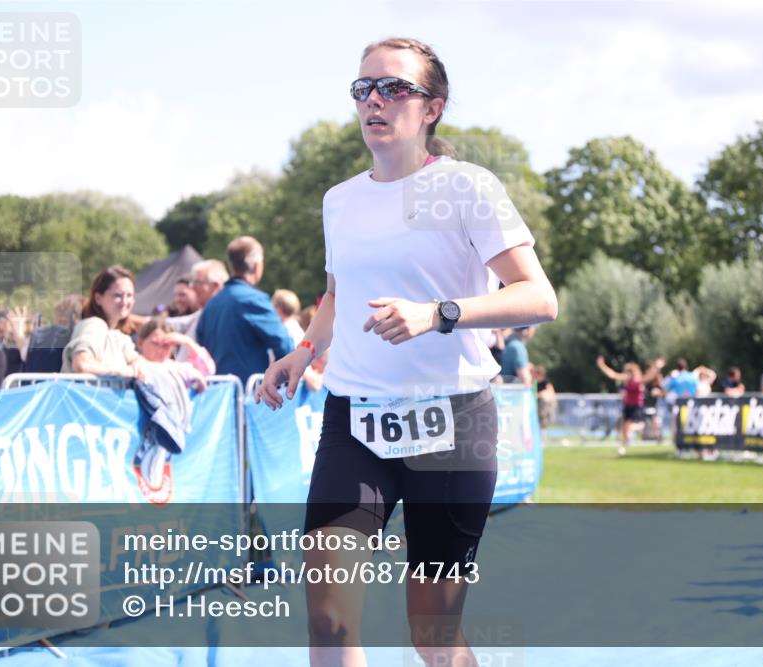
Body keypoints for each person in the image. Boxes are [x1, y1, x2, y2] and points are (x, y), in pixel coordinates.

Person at [255, 37, 557, 667]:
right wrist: (303, 350)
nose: (375, 100)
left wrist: (438, 314)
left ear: (432, 108)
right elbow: (338, 294)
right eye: (363, 88)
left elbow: (539, 298)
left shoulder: (468, 187)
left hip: (453, 424)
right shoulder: (339, 200)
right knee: (329, 621)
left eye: (394, 88)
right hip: (355, 422)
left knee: (433, 637)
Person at [196, 237, 293, 384]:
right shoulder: (254, 300)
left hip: (216, 392)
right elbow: (285, 346)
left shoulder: (211, 304)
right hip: (247, 393)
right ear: (257, 265)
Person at [62, 266, 148, 379]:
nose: (124, 302)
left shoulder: (120, 337)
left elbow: (138, 363)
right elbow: (82, 365)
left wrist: (138, 364)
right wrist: (125, 372)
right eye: (118, 295)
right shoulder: (94, 325)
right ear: (98, 298)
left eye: (129, 295)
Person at [596, 355, 665, 455]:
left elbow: (650, 375)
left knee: (631, 426)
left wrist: (657, 366)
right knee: (624, 428)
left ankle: (640, 430)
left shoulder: (638, 380)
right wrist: (602, 365)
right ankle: (625, 446)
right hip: (628, 406)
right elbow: (613, 375)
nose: (625, 374)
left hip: (637, 406)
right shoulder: (627, 379)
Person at [135, 317, 214, 391]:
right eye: (155, 343)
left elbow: (209, 370)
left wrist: (188, 342)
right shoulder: (135, 362)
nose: (160, 349)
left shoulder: (176, 367)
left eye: (165, 345)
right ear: (140, 343)